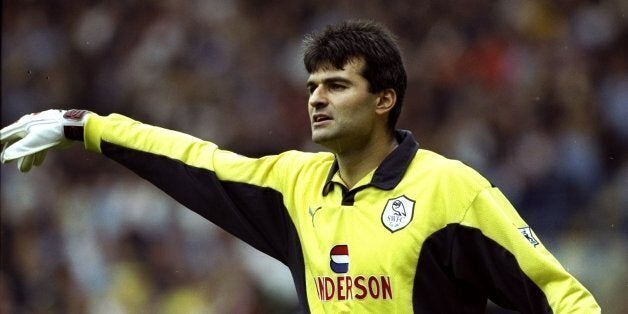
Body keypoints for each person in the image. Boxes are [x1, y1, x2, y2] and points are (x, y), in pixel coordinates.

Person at [0, 19, 600, 313]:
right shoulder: (295, 185)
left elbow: (562, 297)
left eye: (336, 85)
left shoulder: (451, 190)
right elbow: (195, 161)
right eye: (313, 85)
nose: (316, 98)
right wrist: (89, 126)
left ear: (384, 99)